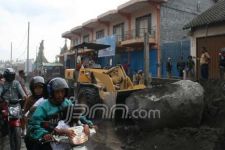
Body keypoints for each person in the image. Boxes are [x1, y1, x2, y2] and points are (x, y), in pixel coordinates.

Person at [27, 77, 91, 150]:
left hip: (67, 140)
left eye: (62, 92)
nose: (60, 95)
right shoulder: (43, 107)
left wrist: (87, 124)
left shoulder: (67, 102)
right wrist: (44, 134)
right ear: (51, 92)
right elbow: (34, 124)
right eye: (57, 92)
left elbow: (77, 115)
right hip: (48, 141)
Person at [0, 68, 27, 149]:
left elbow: (21, 91)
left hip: (16, 104)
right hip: (5, 104)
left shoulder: (16, 83)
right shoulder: (3, 83)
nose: (11, 77)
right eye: (9, 76)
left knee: (22, 115)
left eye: (12, 76)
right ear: (6, 76)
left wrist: (24, 96)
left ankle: (23, 129)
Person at [24, 76, 46, 150]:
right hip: (33, 126)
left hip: (45, 125)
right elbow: (25, 114)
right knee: (28, 139)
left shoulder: (47, 98)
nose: (38, 90)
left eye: (40, 87)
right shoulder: (30, 99)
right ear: (32, 89)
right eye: (36, 88)